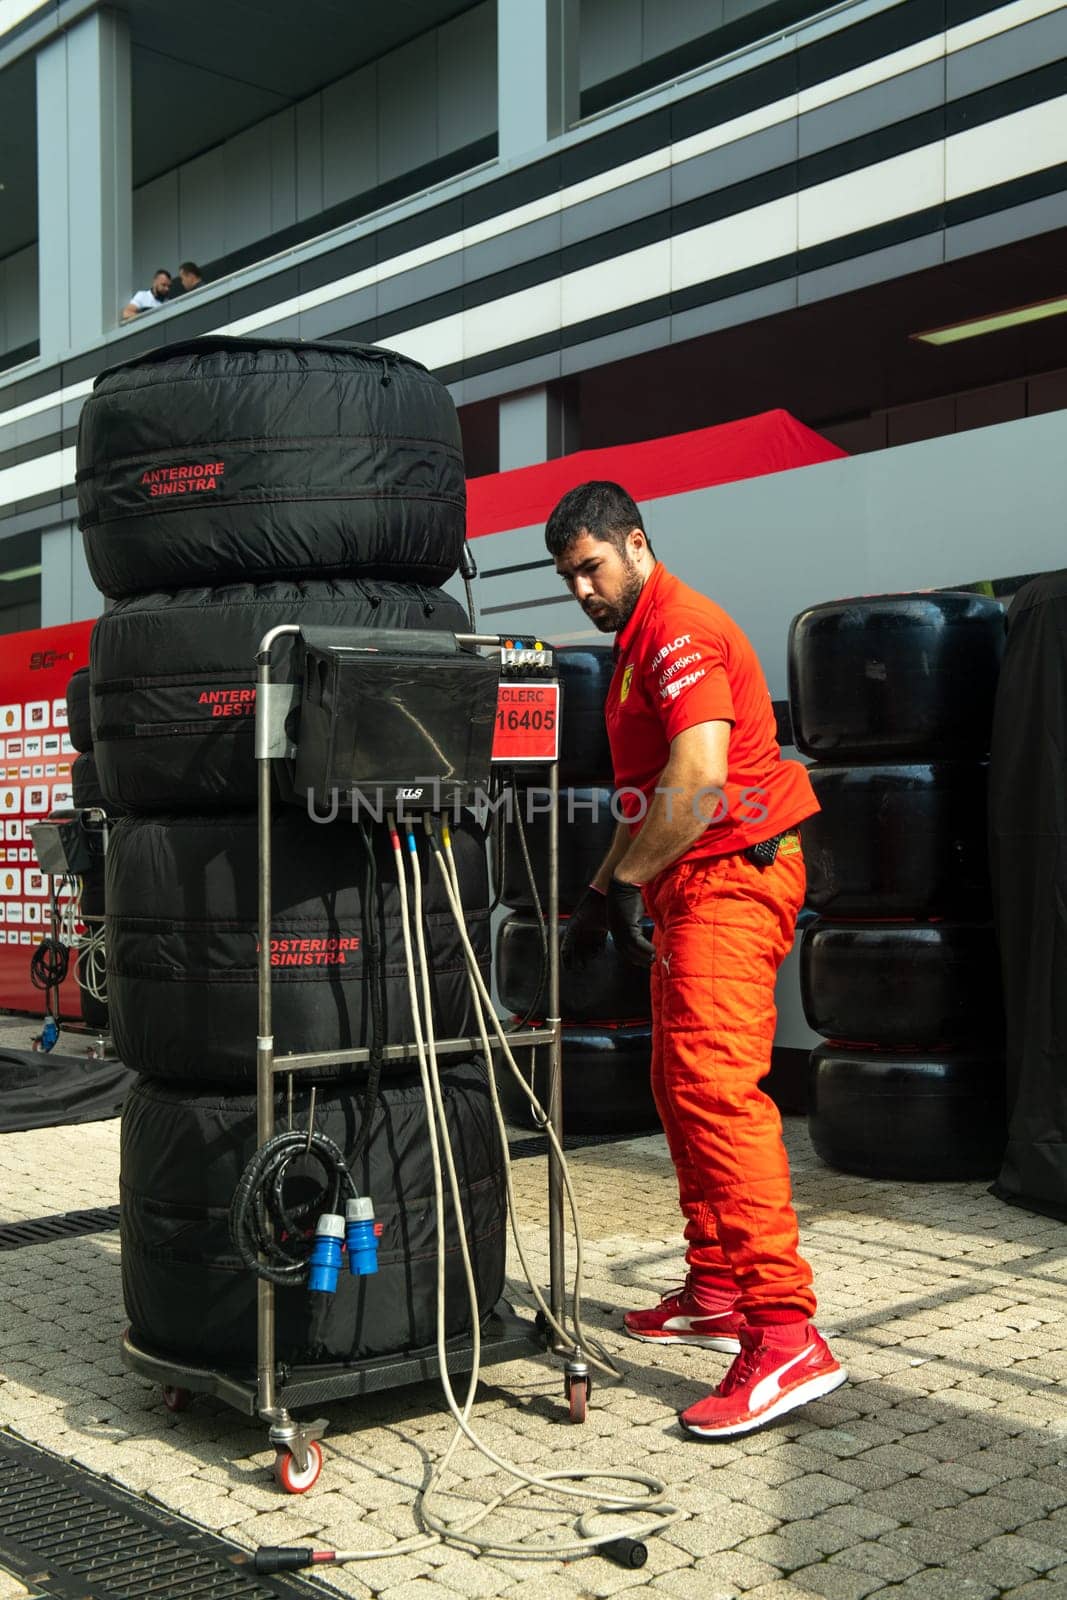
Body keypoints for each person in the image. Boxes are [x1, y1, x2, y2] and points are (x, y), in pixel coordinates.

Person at [546, 480, 846, 1440]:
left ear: (635, 544)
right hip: (693, 878)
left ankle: (785, 1331)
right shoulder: (636, 644)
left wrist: (615, 888)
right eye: (568, 578)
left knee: (717, 1091)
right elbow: (647, 798)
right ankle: (717, 1288)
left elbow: (697, 777)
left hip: (731, 875)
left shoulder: (679, 628)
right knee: (680, 1088)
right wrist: (603, 886)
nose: (582, 590)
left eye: (591, 566)